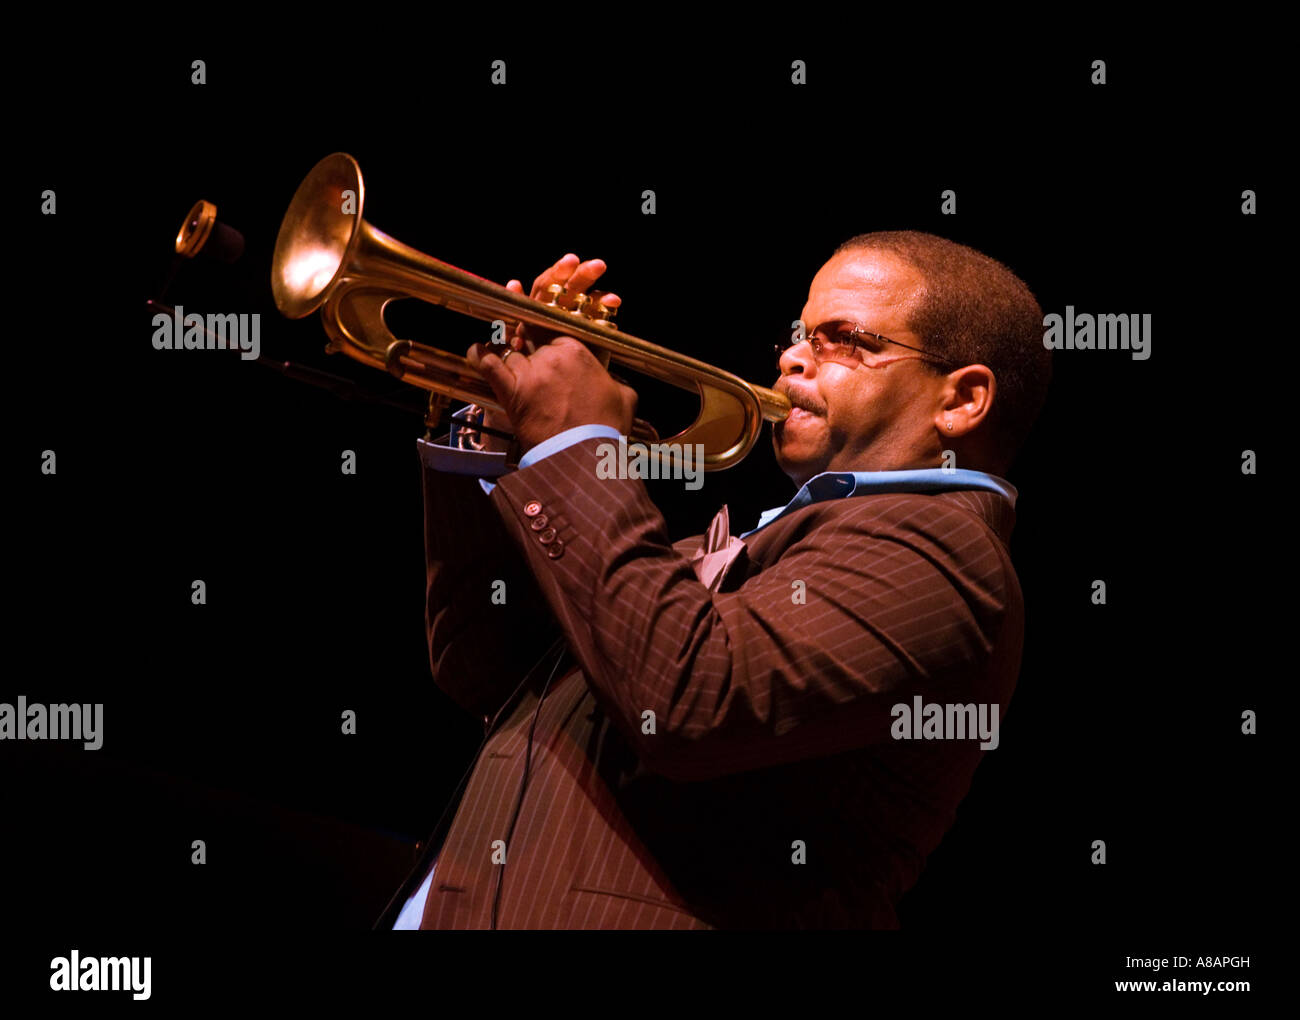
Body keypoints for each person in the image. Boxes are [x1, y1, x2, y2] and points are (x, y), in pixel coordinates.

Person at [385, 231, 1051, 929]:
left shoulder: (943, 552)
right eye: (799, 335)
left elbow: (691, 702)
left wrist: (574, 446)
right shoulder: (707, 553)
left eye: (844, 339)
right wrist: (498, 435)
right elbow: (491, 669)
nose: (793, 356)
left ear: (963, 399)